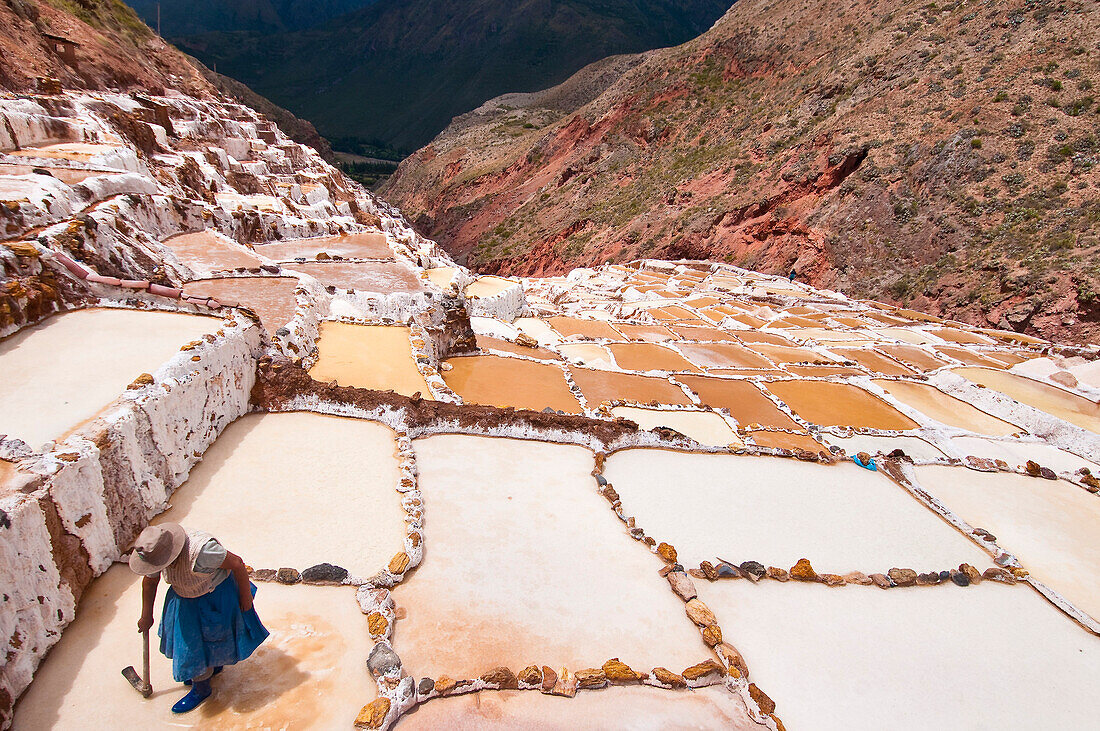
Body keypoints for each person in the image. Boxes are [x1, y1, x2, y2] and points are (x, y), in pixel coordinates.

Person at [130, 523, 269, 713]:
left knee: (212, 638)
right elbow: (150, 582)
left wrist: (245, 597)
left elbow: (237, 564)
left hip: (216, 594)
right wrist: (146, 615)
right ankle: (204, 672)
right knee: (190, 645)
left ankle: (201, 688)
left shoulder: (203, 551)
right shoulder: (155, 554)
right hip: (185, 597)